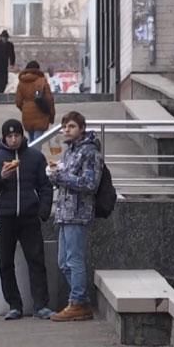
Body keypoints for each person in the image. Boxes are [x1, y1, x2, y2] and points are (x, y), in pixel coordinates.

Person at [0, 119, 55, 320]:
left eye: (16, 136)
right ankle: (14, 305)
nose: (13, 140)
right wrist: (1, 176)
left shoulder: (35, 157)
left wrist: (43, 210)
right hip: (5, 216)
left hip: (29, 216)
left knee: (36, 260)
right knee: (5, 262)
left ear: (22, 136)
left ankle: (41, 305)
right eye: (9, 136)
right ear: (4, 138)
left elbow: (45, 186)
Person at [46, 111, 103, 322]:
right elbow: (66, 179)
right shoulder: (69, 151)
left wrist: (62, 176)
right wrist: (55, 176)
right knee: (63, 262)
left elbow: (90, 184)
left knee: (74, 260)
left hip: (78, 213)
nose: (66, 130)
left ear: (81, 129)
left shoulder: (90, 152)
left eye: (70, 126)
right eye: (64, 127)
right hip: (64, 212)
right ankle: (81, 300)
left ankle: (78, 302)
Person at [15, 61, 56, 142]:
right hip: (41, 112)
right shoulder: (42, 81)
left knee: (31, 140)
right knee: (38, 141)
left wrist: (25, 108)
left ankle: (30, 154)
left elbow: (18, 101)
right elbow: (49, 99)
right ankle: (34, 154)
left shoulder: (21, 82)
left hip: (27, 112)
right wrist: (51, 115)